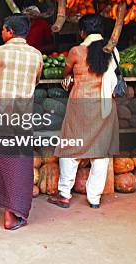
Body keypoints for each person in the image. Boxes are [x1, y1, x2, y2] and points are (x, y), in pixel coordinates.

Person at [0, 14, 43, 231]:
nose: (2, 33)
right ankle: (11, 216)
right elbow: (35, 82)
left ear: (9, 31)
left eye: (3, 30)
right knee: (16, 166)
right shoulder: (36, 56)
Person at [48, 14, 119, 209]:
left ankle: (64, 194)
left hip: (80, 105)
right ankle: (94, 198)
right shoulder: (112, 51)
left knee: (71, 146)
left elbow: (66, 72)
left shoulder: (76, 51)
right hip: (105, 107)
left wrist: (71, 77)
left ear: (82, 32)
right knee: (101, 152)